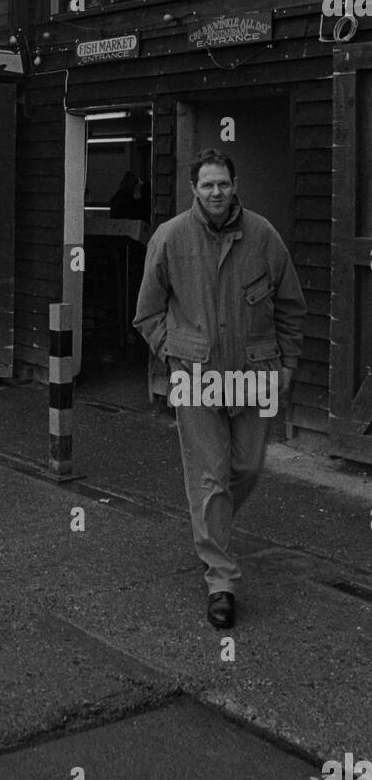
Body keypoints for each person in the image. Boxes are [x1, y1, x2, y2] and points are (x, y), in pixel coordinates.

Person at [132, 149, 306, 629]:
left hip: (255, 373)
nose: (215, 193)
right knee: (209, 479)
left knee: (246, 467)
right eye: (207, 185)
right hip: (196, 376)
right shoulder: (169, 238)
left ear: (235, 184)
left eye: (222, 184)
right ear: (194, 189)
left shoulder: (264, 236)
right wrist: (176, 356)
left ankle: (214, 529)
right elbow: (147, 312)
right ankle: (221, 581)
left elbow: (291, 306)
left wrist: (288, 364)